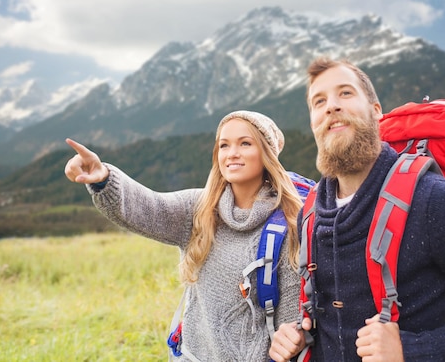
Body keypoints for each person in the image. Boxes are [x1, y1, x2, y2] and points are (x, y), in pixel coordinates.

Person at [269, 57, 445, 362]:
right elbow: (330, 316)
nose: (332, 106)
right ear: (313, 122)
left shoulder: (434, 200)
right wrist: (294, 336)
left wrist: (410, 350)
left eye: (345, 93)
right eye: (319, 101)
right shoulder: (312, 212)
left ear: (376, 111)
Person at [64, 110, 309, 361]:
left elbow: (290, 320)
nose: (232, 153)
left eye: (245, 143)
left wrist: (292, 336)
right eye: (224, 145)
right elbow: (147, 207)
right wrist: (103, 179)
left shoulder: (287, 225)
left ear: (267, 153)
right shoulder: (199, 209)